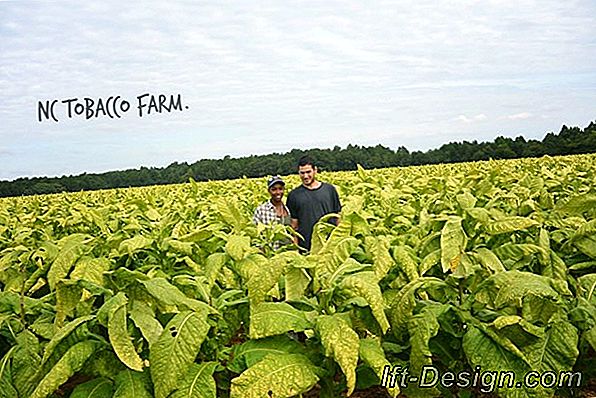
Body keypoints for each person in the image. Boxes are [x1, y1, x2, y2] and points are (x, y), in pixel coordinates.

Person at [287, 156, 341, 252]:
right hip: (306, 248)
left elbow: (338, 218)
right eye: (302, 173)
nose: (305, 176)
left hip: (329, 245)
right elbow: (294, 227)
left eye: (308, 172)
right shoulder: (293, 195)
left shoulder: (329, 190)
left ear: (315, 170)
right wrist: (296, 250)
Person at [253, 175, 292, 249]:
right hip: (272, 252)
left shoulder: (288, 208)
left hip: (288, 252)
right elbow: (255, 235)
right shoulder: (261, 210)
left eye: (280, 189)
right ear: (269, 191)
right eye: (274, 189)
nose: (278, 192)